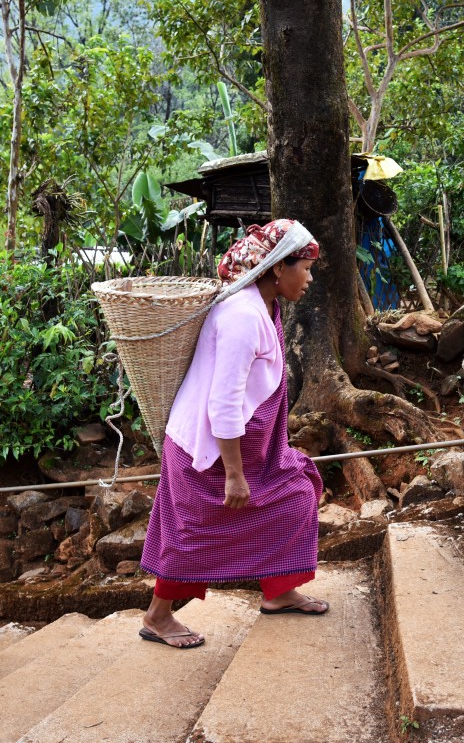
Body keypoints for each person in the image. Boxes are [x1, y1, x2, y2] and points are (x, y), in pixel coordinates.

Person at [139, 219, 328, 649]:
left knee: (295, 494)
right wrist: (234, 474)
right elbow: (223, 403)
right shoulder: (243, 316)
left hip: (243, 450)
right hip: (207, 454)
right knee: (192, 533)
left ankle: (279, 592)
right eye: (305, 266)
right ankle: (157, 616)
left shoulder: (264, 305)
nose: (310, 277)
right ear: (278, 268)